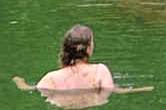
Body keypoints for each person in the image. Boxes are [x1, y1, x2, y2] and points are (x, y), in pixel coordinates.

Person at [12, 24, 153, 95]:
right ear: (89, 48)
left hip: (64, 104)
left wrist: (19, 81)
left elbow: (30, 89)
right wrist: (144, 89)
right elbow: (114, 90)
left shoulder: (52, 77)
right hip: (93, 101)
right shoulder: (100, 70)